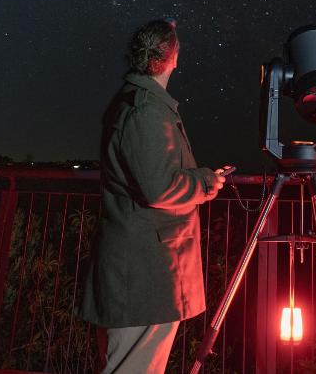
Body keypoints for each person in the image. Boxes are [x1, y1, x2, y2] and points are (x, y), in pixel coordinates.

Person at [79, 19, 226, 374]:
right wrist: (206, 182)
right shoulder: (145, 110)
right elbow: (160, 187)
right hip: (145, 272)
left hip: (143, 269)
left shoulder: (139, 101)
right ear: (172, 56)